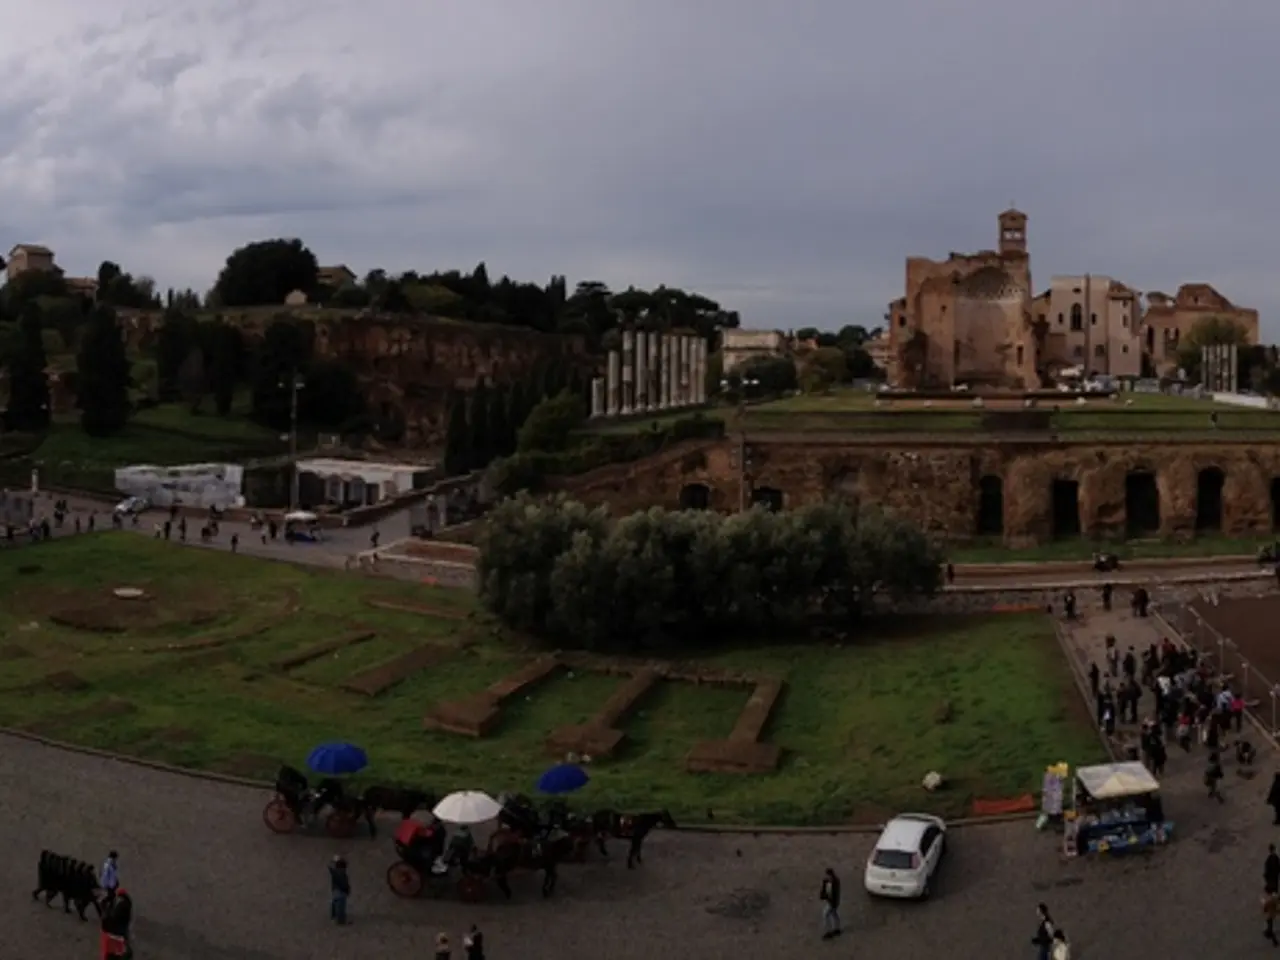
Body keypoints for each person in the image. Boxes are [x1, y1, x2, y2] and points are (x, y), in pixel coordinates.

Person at [819, 867, 841, 939]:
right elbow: (823, 889)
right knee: (834, 914)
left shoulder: (835, 882)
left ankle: (828, 931)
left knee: (826, 914)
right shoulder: (827, 881)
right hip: (830, 901)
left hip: (832, 902)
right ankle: (836, 928)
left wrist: (834, 902)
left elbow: (836, 894)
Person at [329, 855, 351, 925]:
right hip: (341, 891)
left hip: (335, 890)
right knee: (341, 906)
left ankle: (334, 917)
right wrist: (347, 889)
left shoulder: (334, 872)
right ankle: (341, 920)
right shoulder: (341, 873)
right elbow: (344, 883)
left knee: (335, 903)